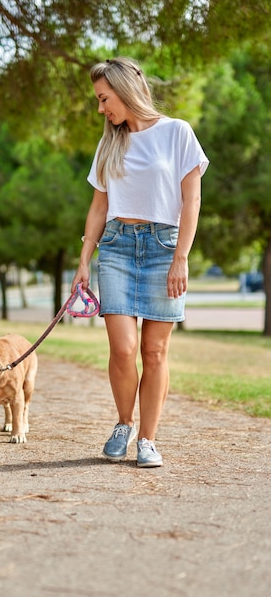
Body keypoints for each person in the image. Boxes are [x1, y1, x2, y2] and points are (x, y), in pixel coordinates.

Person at [71, 57, 209, 467]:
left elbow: (192, 200)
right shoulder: (109, 142)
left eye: (103, 98)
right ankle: (123, 423)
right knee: (122, 348)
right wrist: (83, 260)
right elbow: (98, 207)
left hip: (164, 247)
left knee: (154, 351)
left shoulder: (177, 132)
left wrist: (180, 257)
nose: (101, 109)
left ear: (124, 90)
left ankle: (147, 440)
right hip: (115, 248)